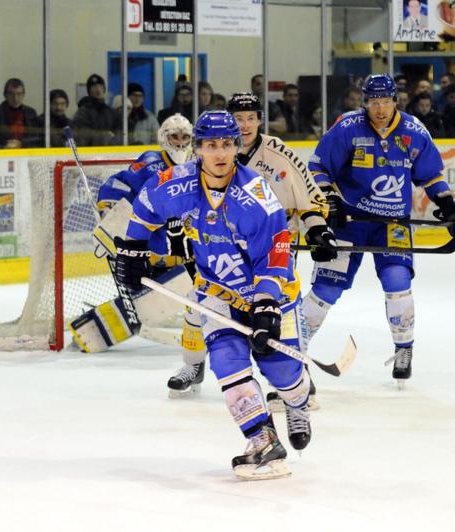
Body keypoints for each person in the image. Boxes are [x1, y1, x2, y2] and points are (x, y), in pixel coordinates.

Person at [115, 110, 313, 479]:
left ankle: (297, 402)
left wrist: (266, 302)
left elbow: (276, 250)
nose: (219, 153)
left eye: (226, 144)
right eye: (210, 145)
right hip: (216, 292)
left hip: (271, 293)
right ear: (198, 148)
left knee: (282, 371)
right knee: (226, 363)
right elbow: (146, 205)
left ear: (237, 146)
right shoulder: (178, 183)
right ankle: (262, 441)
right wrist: (133, 247)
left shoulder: (256, 194)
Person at [165, 91, 335, 408]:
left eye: (251, 118)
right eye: (239, 119)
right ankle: (193, 365)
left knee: (280, 310)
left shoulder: (278, 152)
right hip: (218, 249)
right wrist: (178, 230)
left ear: (260, 121)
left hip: (268, 248)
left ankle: (297, 375)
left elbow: (307, 196)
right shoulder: (203, 153)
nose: (245, 125)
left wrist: (318, 228)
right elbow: (182, 198)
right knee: (197, 304)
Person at [304, 74, 455, 386]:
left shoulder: (413, 131)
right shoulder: (347, 127)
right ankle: (293, 347)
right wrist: (329, 200)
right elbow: (318, 168)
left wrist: (448, 204)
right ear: (365, 102)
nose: (379, 108)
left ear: (396, 100)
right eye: (373, 102)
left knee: (398, 282)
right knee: (326, 288)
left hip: (393, 223)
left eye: (385, 101)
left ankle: (404, 349)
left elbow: (430, 175)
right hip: (350, 221)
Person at [0, 78, 41, 149]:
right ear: (5, 95)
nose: (15, 98)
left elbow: (37, 138)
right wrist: (4, 146)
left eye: (19, 94)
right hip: (2, 153)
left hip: (25, 152)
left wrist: (22, 144)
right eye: (11, 94)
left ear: (23, 95)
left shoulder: (31, 113)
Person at [72, 73, 117, 147]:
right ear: (89, 91)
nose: (98, 90)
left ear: (104, 89)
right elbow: (83, 135)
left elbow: (119, 133)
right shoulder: (83, 112)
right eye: (94, 87)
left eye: (100, 86)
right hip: (90, 151)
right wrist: (104, 136)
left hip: (110, 151)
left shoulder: (111, 112)